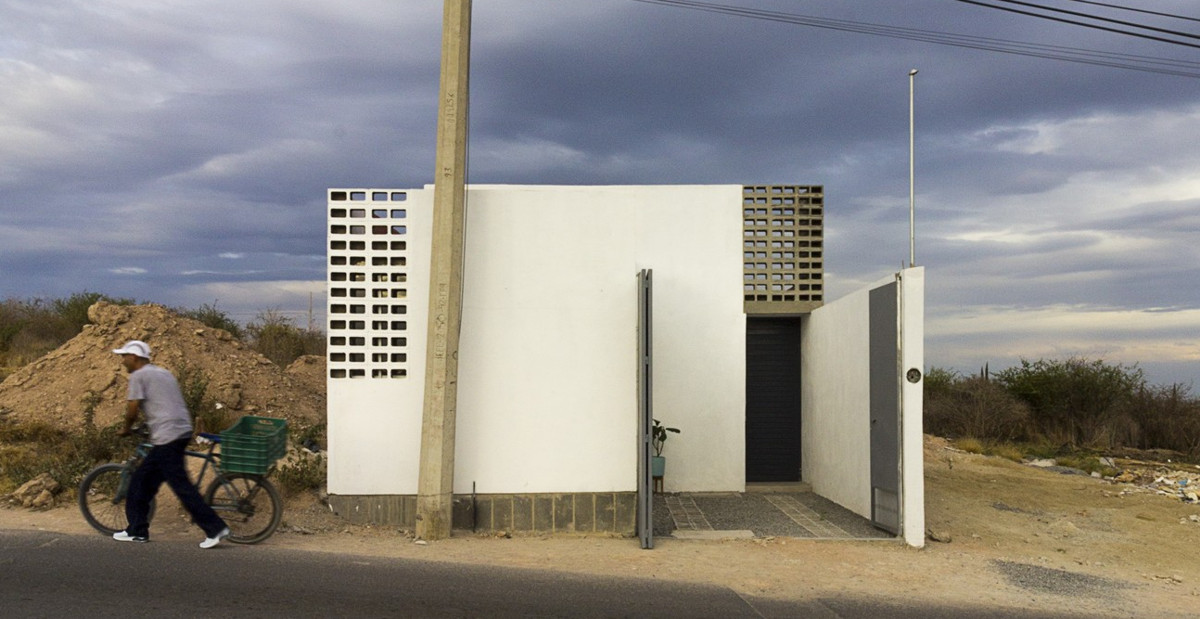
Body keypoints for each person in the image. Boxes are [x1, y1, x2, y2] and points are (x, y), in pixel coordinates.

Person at [110, 340, 230, 548]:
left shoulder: (138, 376)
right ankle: (137, 530)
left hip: (167, 437)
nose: (122, 361)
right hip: (180, 431)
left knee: (180, 487)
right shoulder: (164, 373)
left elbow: (132, 408)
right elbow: (165, 402)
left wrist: (127, 428)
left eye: (124, 356)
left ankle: (215, 528)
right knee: (143, 483)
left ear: (135, 358)